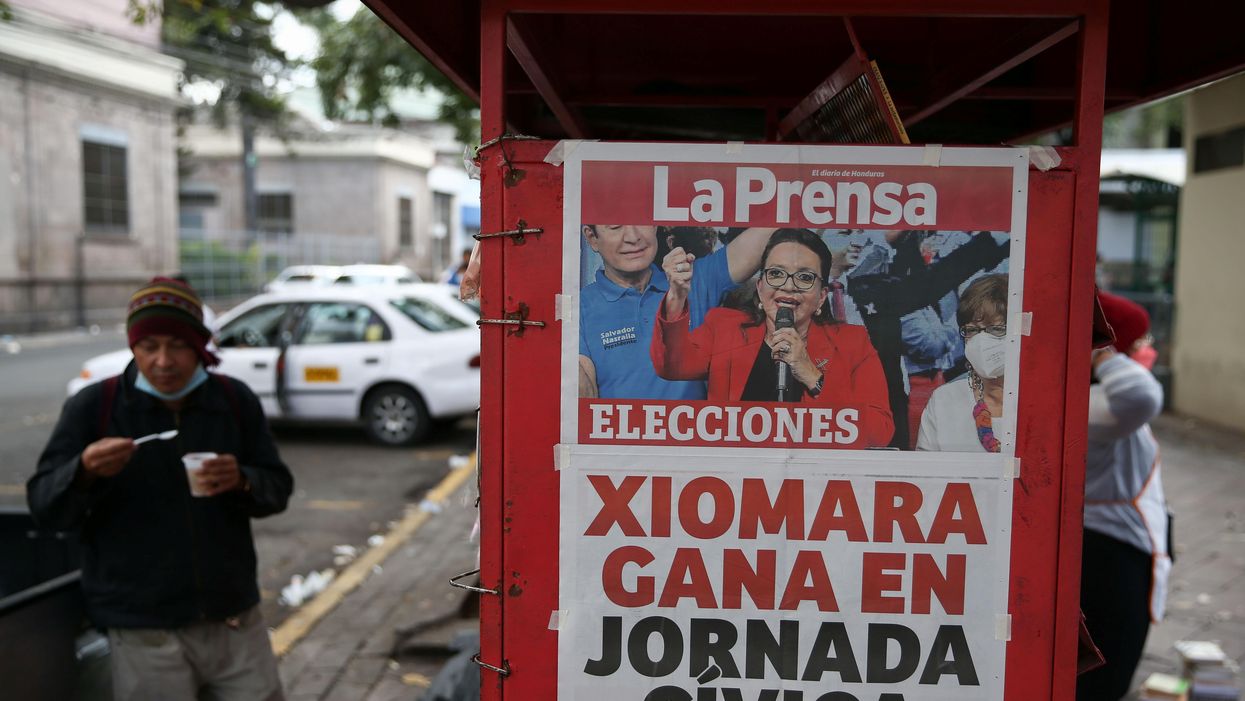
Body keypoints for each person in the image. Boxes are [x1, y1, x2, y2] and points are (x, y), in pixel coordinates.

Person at [27, 277, 293, 701]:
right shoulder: (96, 407)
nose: (164, 362)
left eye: (178, 345)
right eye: (148, 347)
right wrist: (83, 471)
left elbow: (277, 487)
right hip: (141, 629)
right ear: (132, 347)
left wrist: (242, 479)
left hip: (232, 618)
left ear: (200, 347)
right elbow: (45, 505)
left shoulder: (233, 400)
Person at [650, 228, 893, 447]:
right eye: (776, 274)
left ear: (821, 297)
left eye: (805, 278)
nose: (788, 286)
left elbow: (879, 432)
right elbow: (673, 365)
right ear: (760, 287)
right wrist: (677, 297)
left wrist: (812, 376)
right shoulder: (724, 327)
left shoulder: (853, 343)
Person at [1077, 291, 1169, 701]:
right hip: (1108, 557)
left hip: (1116, 548)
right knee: (1104, 681)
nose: (1145, 351)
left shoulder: (1101, 404)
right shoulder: (1095, 406)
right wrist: (1103, 352)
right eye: (1137, 343)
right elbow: (1143, 396)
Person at [578, 223, 777, 399]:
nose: (633, 237)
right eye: (615, 227)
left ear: (656, 225)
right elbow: (582, 403)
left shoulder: (696, 280)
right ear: (592, 238)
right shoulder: (579, 307)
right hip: (619, 439)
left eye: (642, 221)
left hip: (692, 437)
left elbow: (773, 227)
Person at [915, 274, 1010, 452]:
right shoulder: (944, 401)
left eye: (996, 329)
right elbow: (926, 475)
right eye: (972, 330)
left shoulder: (1046, 401)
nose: (982, 340)